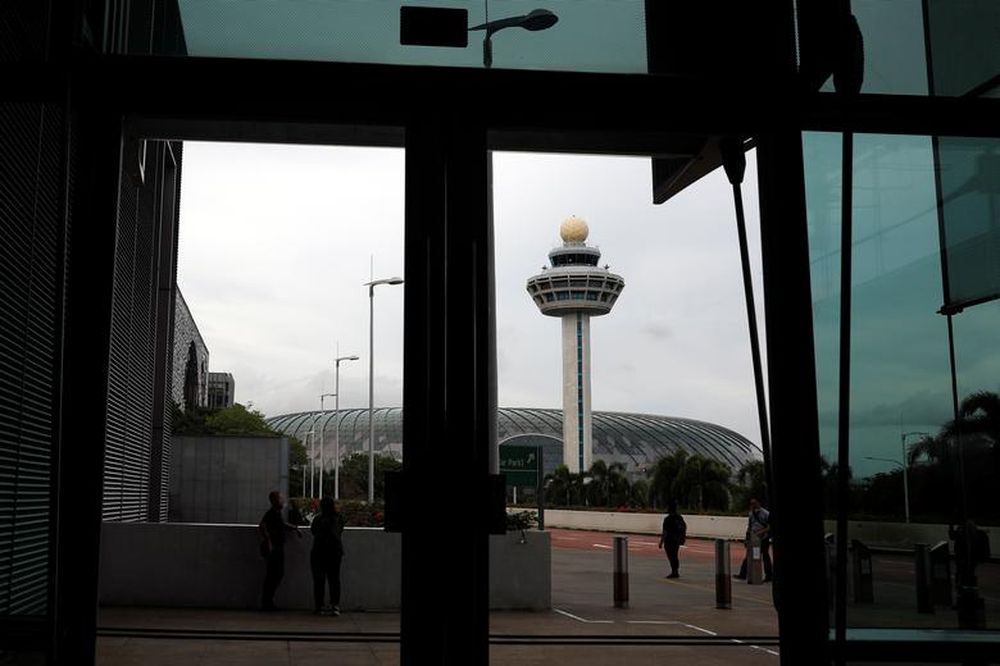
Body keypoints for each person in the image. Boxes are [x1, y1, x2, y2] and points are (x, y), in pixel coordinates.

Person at [258, 490, 300, 611]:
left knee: (274, 575)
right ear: (275, 501)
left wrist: (294, 528)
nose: (283, 501)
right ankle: (267, 602)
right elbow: (262, 526)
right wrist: (269, 542)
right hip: (274, 549)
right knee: (274, 575)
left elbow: (282, 524)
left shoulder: (276, 513)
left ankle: (268, 602)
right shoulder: (271, 513)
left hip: (277, 548)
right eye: (281, 499)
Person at [310, 496, 346, 616]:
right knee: (334, 580)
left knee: (319, 581)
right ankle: (334, 605)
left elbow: (314, 531)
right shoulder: (338, 518)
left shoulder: (318, 519)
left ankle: (319, 606)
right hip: (334, 553)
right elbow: (337, 533)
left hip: (319, 552)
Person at [734, 498, 773, 582]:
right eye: (751, 504)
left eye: (754, 503)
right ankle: (743, 574)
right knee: (748, 556)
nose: (753, 505)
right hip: (753, 538)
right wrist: (747, 538)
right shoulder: (751, 513)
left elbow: (769, 527)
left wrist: (760, 533)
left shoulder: (766, 513)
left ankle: (769, 576)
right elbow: (750, 526)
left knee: (765, 556)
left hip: (763, 538)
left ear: (759, 503)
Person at [658, 500, 686, 578]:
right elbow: (683, 528)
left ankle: (674, 571)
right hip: (676, 539)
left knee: (671, 556)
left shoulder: (668, 519)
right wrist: (682, 538)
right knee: (675, 555)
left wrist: (661, 542)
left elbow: (665, 532)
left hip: (669, 539)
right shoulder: (679, 518)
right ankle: (675, 570)